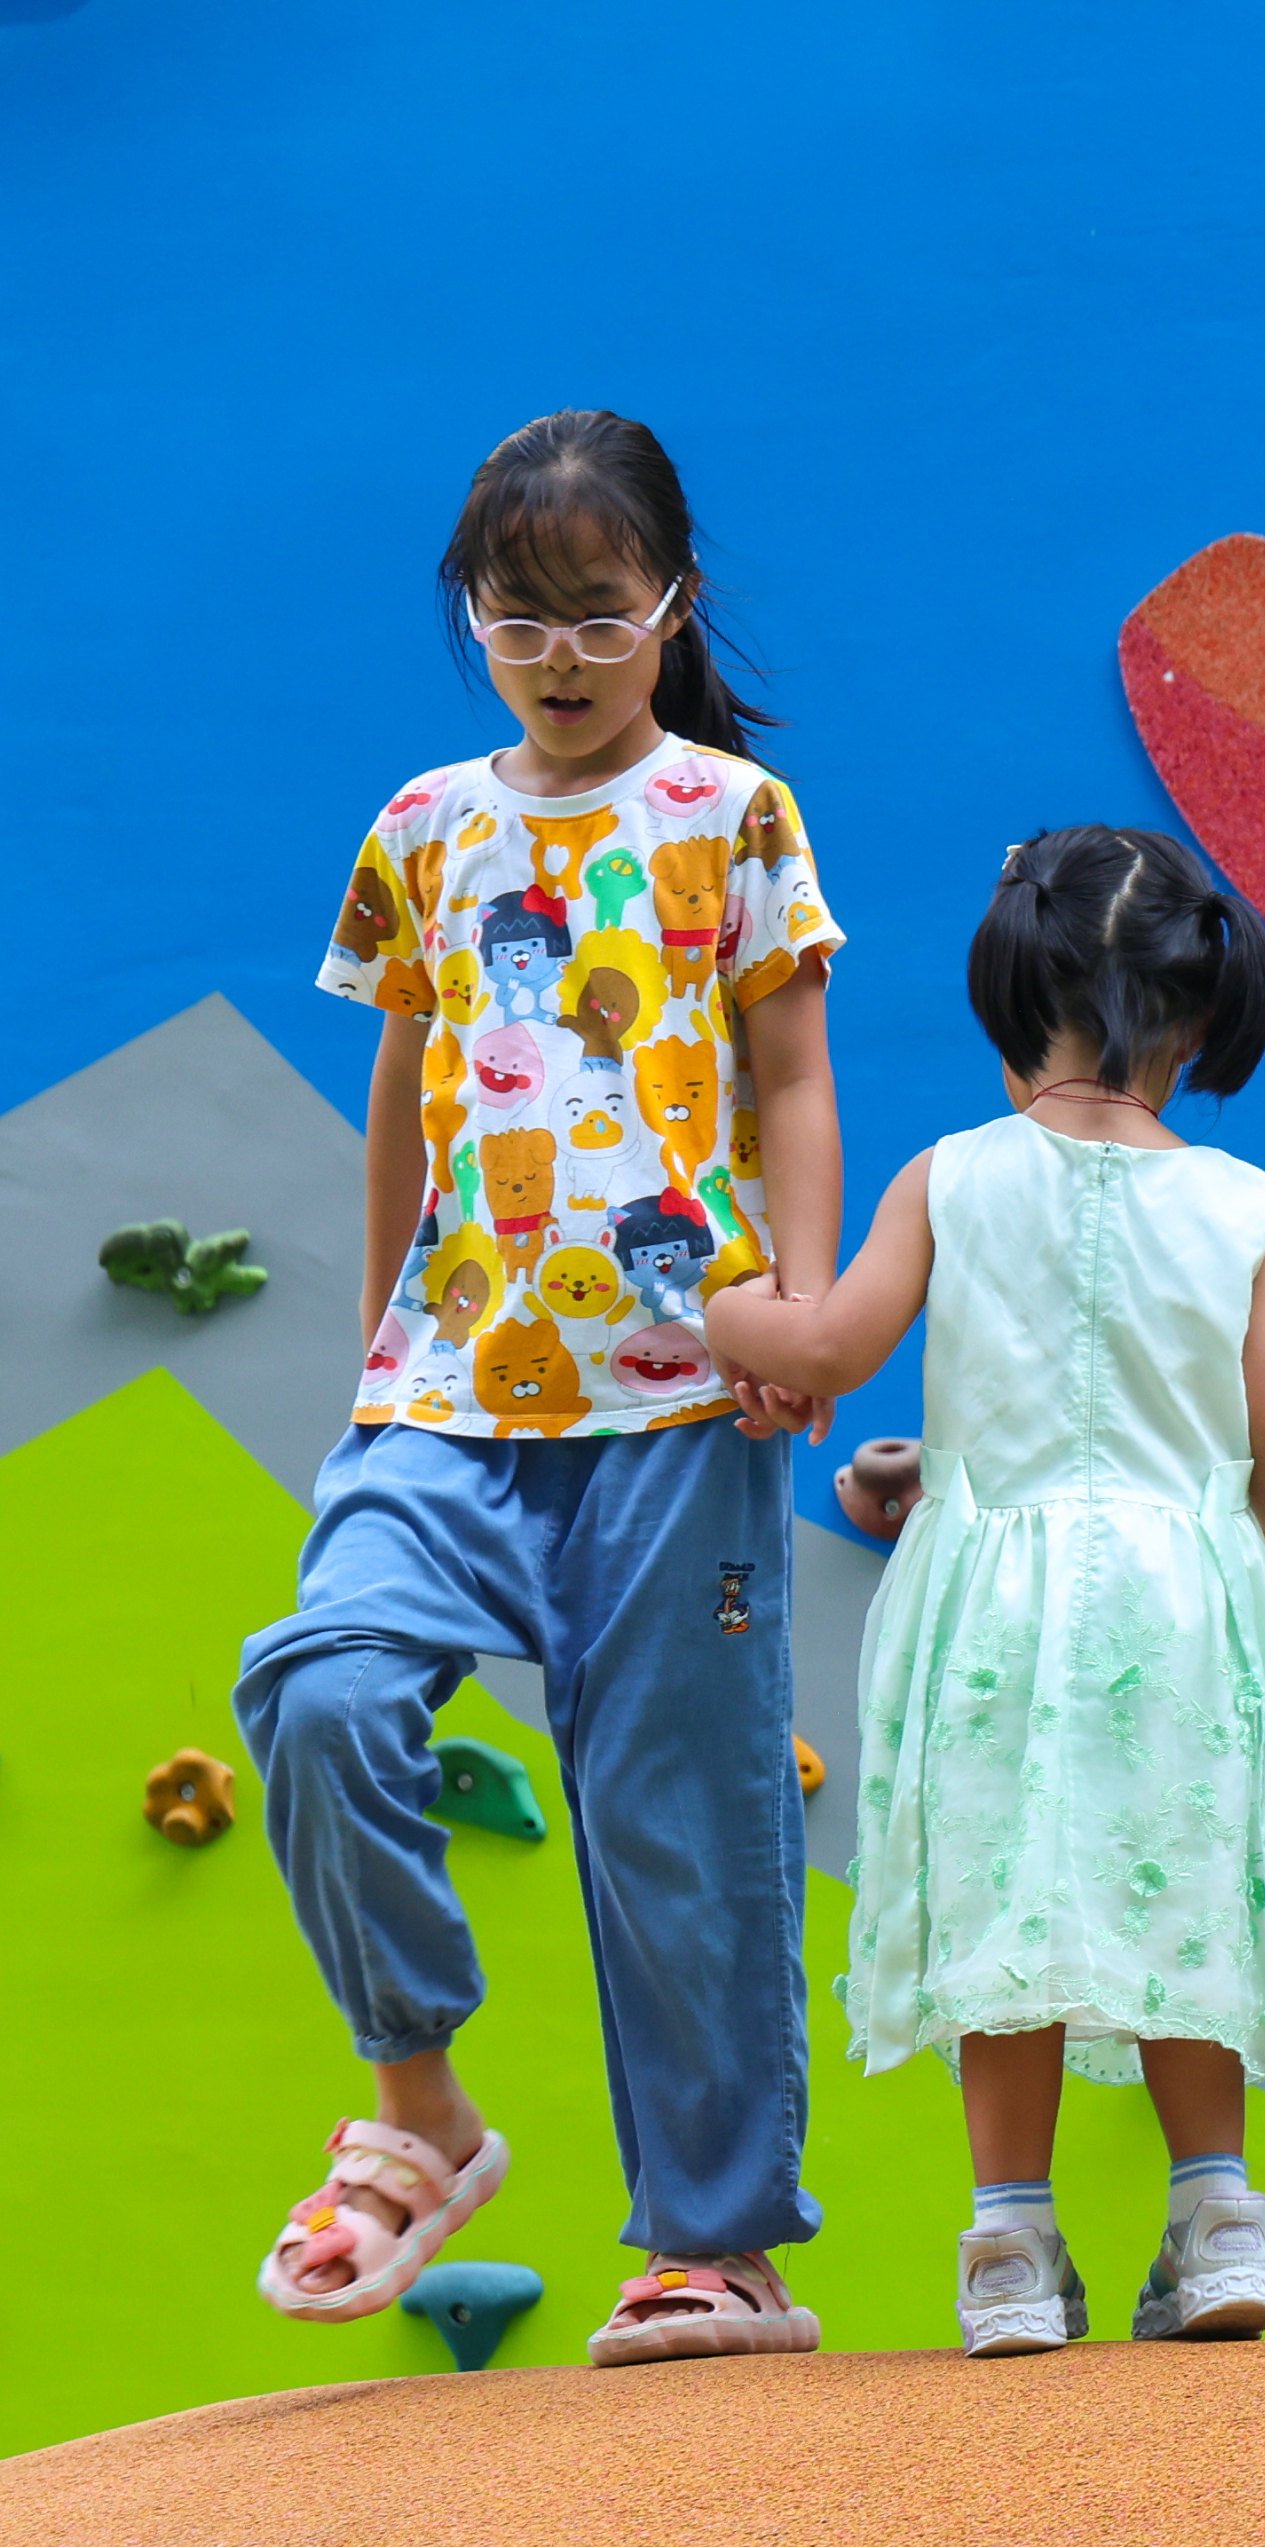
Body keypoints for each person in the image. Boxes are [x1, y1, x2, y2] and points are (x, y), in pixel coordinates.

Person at [240, 409, 846, 2364]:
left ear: (669, 608)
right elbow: (400, 1104)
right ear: (471, 622)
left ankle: (715, 2243)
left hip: (675, 1397)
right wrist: (369, 1353)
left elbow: (792, 1081)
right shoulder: (421, 830)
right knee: (323, 1692)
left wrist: (803, 1313)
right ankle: (423, 2115)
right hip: (445, 1394)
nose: (564, 655)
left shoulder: (726, 821)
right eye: (521, 621)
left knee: (675, 1818)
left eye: (601, 616)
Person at [705, 826, 1265, 2357]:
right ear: (1193, 1026)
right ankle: (1216, 2221)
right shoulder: (1246, 1201)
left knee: (1010, 1903)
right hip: (1183, 1592)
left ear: (1015, 1008)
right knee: (1181, 1889)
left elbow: (825, 1350)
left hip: (992, 1599)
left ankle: (1008, 2244)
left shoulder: (952, 1175)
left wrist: (718, 1296)